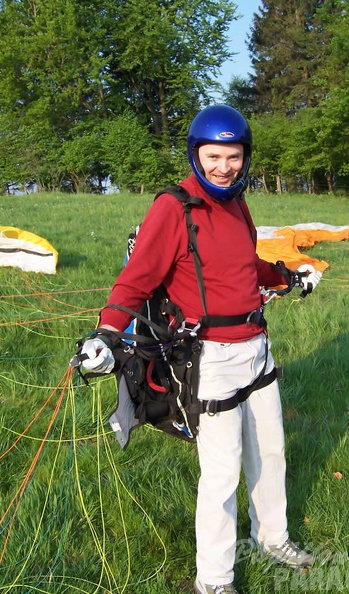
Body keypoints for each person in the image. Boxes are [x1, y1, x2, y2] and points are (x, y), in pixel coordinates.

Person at [79, 105, 322, 594]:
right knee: (222, 473)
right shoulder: (174, 207)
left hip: (257, 348)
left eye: (233, 157)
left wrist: (289, 276)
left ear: (244, 158)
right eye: (213, 156)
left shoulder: (237, 202)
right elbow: (135, 280)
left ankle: (273, 538)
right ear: (196, 155)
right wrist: (106, 334)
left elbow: (244, 264)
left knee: (271, 452)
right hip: (210, 360)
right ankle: (213, 580)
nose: (223, 167)